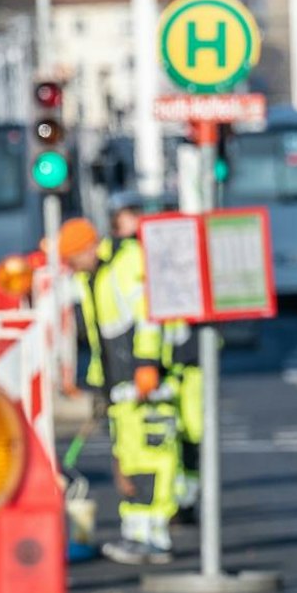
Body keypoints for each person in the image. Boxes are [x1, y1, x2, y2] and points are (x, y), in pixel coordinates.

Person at [61, 215, 178, 565]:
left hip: (143, 380)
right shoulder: (90, 277)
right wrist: (101, 388)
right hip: (120, 386)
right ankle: (137, 534)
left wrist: (147, 364)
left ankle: (154, 536)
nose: (70, 268)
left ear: (87, 249)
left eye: (71, 259)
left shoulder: (126, 263)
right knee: (130, 459)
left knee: (150, 458)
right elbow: (102, 340)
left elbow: (147, 317)